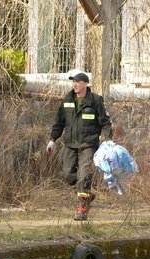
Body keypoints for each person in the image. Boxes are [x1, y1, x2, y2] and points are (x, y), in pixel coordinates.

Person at [46, 71, 112, 221]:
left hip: (88, 145)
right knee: (68, 174)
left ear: (86, 84)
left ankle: (82, 208)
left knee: (84, 176)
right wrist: (52, 139)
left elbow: (106, 123)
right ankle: (87, 194)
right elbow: (59, 123)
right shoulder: (67, 100)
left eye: (77, 82)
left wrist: (106, 140)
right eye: (73, 82)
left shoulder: (95, 101)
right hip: (70, 144)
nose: (74, 84)